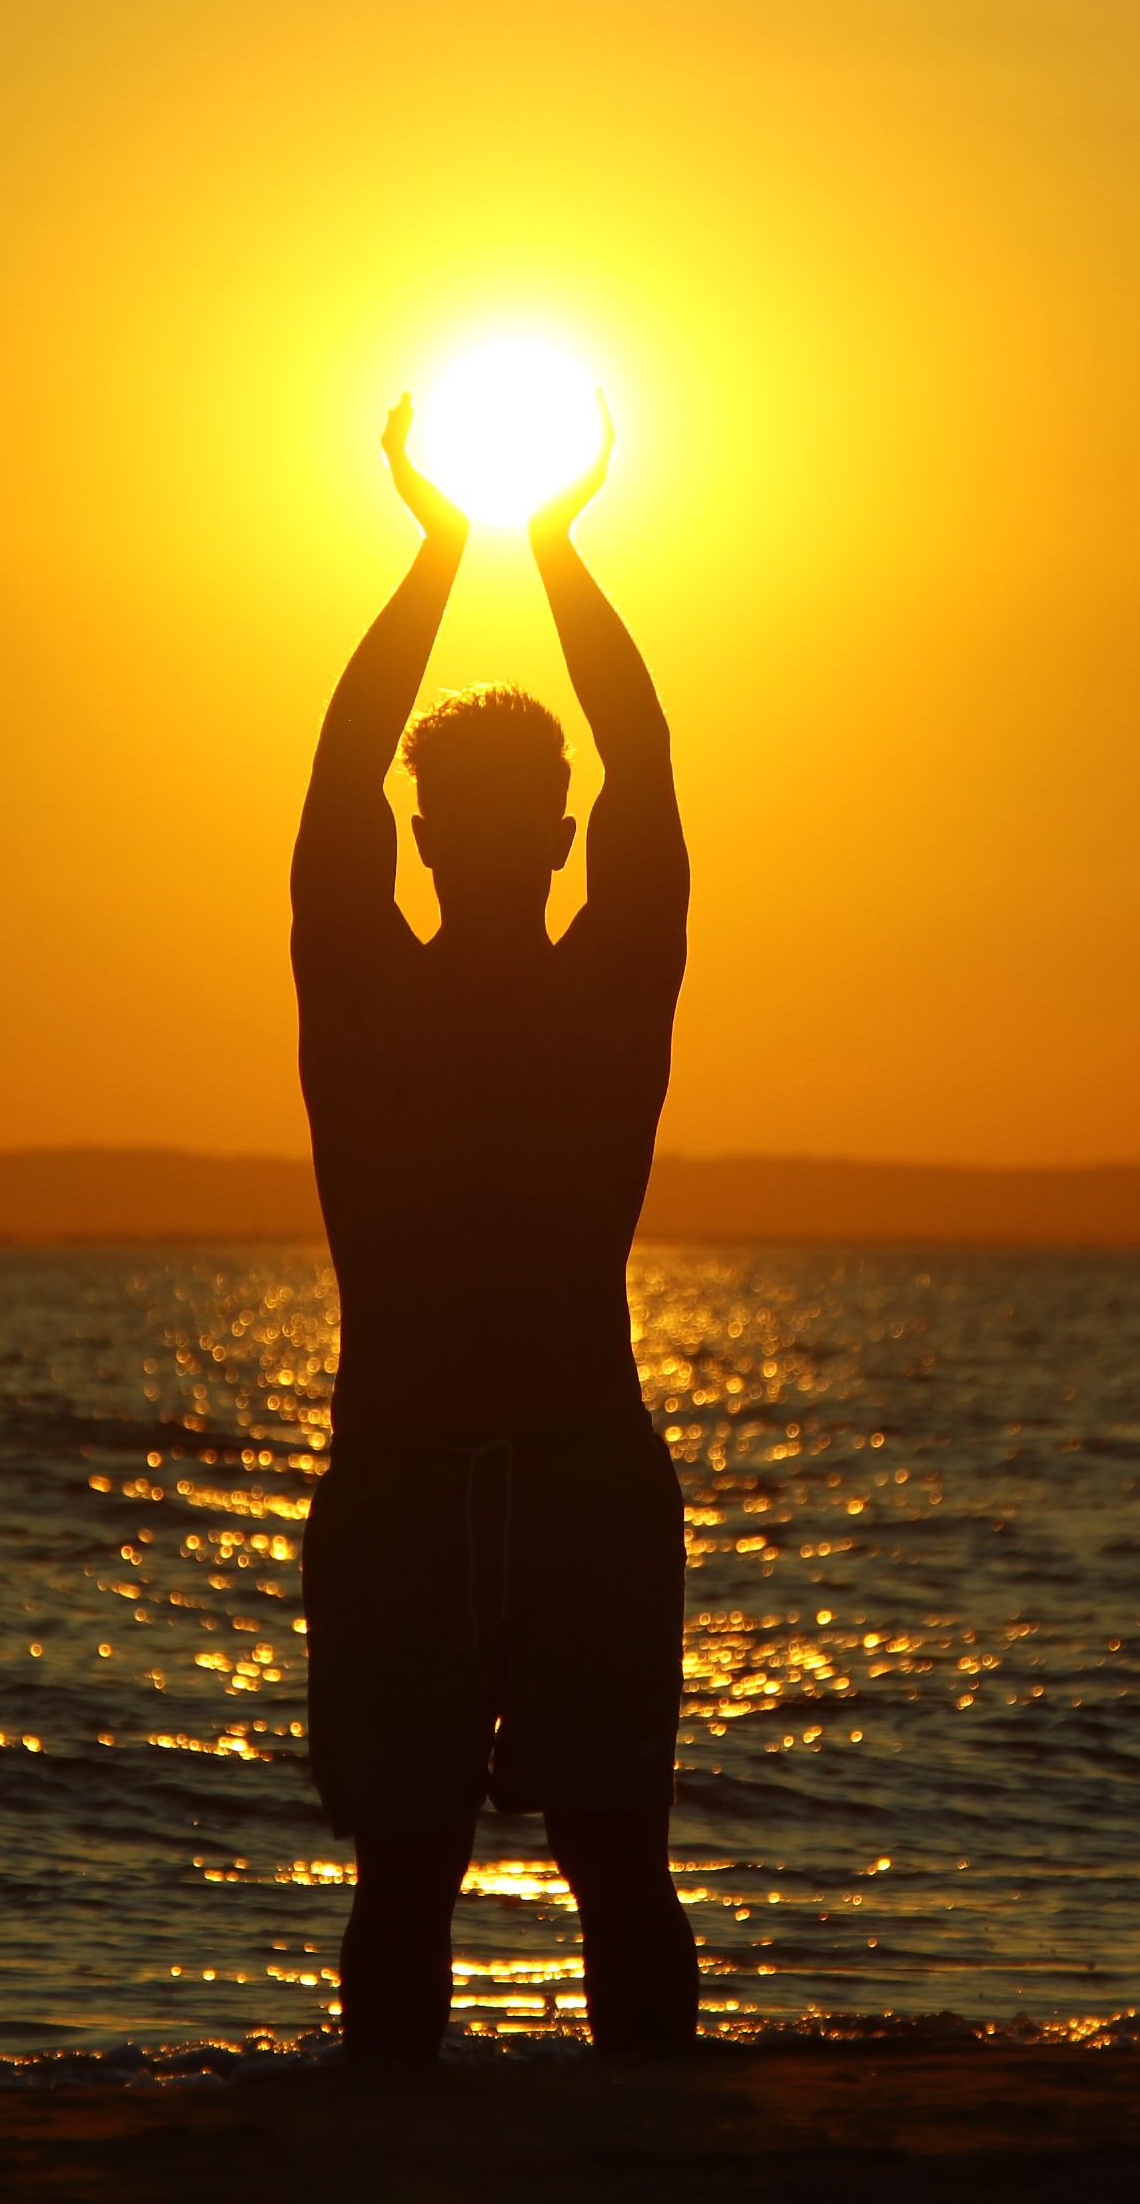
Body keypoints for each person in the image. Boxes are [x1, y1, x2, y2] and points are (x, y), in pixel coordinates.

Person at [291, 392, 697, 2062]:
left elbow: (647, 767)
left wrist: (547, 544)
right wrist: (452, 548)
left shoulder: (606, 992)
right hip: (402, 1475)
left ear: (552, 835)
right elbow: (336, 775)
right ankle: (392, 2139)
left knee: (615, 1859)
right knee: (405, 1866)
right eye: (459, 805)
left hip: (584, 1468)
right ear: (430, 832)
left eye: (518, 803)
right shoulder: (366, 992)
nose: (489, 829)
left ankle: (652, 2140)